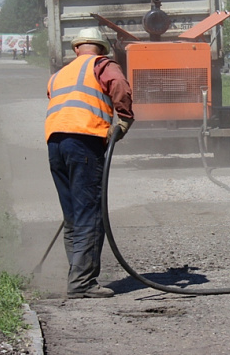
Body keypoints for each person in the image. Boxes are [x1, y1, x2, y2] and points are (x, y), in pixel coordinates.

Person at [45, 27, 133, 298]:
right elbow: (119, 85)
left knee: (72, 216)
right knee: (90, 214)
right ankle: (81, 283)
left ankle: (76, 274)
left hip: (55, 144)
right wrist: (124, 117)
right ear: (101, 49)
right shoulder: (102, 65)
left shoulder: (59, 75)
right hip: (84, 142)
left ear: (76, 49)